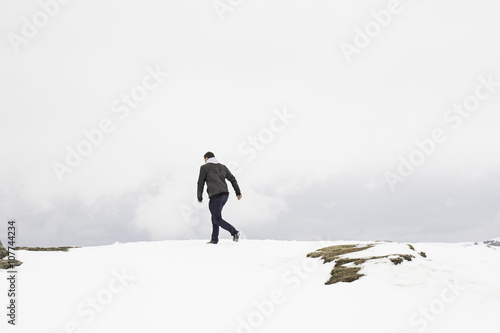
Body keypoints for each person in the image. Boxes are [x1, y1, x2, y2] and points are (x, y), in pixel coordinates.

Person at [197, 152, 242, 244]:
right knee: (215, 216)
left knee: (216, 218)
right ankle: (214, 239)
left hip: (216, 196)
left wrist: (199, 197)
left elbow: (200, 183)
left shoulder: (204, 167)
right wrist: (238, 192)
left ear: (206, 158)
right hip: (225, 195)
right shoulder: (223, 167)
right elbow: (232, 179)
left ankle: (235, 232)